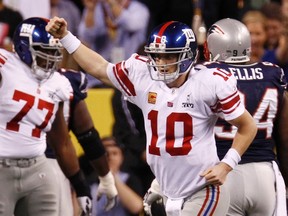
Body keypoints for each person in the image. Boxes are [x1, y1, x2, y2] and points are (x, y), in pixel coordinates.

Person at [46, 17, 257, 216]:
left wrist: (226, 165)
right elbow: (100, 68)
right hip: (165, 188)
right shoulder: (142, 74)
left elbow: (248, 126)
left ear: (187, 55)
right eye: (157, 55)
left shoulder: (209, 83)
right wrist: (66, 36)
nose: (161, 62)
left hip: (202, 189)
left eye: (169, 56)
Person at [0, 17, 91, 216]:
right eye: (44, 51)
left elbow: (62, 142)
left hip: (37, 167)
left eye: (53, 52)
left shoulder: (57, 83)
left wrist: (80, 186)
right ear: (24, 48)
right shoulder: (5, 66)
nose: (50, 58)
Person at [204, 18, 288, 215]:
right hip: (265, 176)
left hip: (221, 172)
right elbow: (284, 137)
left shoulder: (204, 74)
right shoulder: (273, 73)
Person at [45, 68, 118, 215]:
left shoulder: (66, 82)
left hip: (52, 167)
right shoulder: (7, 72)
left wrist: (105, 178)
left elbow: (85, 136)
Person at [78, 0, 150, 87]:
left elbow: (132, 25)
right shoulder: (98, 8)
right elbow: (86, 38)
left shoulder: (139, 9)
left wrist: (112, 4)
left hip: (130, 76)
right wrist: (90, 10)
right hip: (100, 76)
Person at [79, 136, 144, 216]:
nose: (110, 157)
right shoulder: (89, 182)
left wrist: (111, 176)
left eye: (115, 153)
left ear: (121, 157)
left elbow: (137, 207)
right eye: (106, 154)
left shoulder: (130, 179)